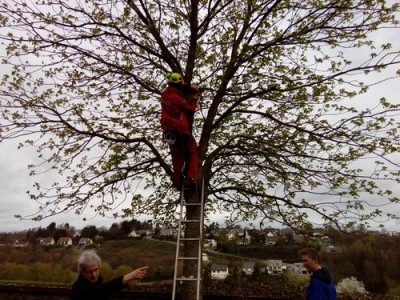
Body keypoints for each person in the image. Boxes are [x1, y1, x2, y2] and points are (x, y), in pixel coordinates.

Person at [161, 72, 201, 189]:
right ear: (179, 84)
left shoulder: (164, 95)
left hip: (169, 132)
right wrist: (195, 99)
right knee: (193, 151)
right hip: (180, 130)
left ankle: (177, 181)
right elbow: (190, 109)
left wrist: (189, 87)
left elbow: (180, 86)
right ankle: (190, 178)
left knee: (177, 157)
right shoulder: (179, 99)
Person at [71, 249, 148, 300]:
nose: (94, 274)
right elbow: (100, 291)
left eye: (95, 270)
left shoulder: (99, 282)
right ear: (82, 272)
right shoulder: (78, 289)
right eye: (89, 272)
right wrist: (128, 277)